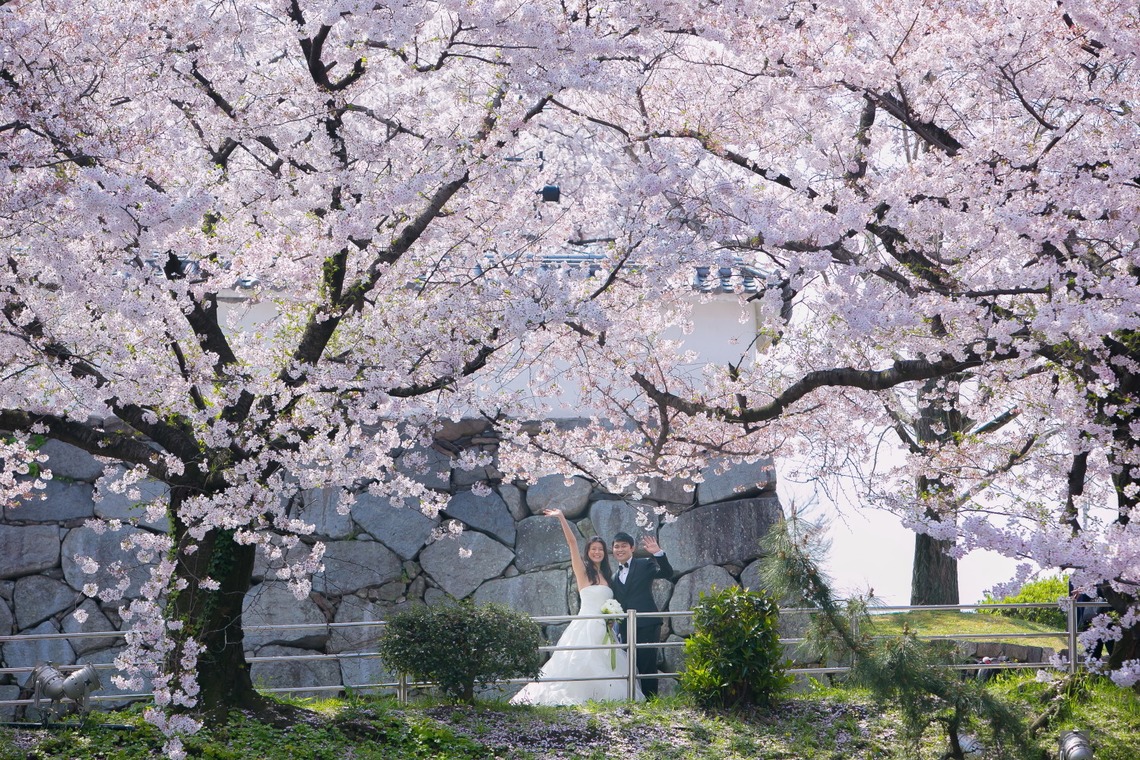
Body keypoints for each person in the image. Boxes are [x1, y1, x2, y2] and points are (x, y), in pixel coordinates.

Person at [510, 509, 644, 705]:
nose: (596, 552)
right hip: (585, 626)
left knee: (609, 666)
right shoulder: (582, 571)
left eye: (600, 549)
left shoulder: (608, 575)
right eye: (593, 549)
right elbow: (572, 543)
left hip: (605, 629)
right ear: (588, 552)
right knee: (578, 663)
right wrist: (562, 518)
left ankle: (605, 700)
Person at [610, 530, 673, 698]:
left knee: (647, 664)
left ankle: (651, 701)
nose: (620, 549)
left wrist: (658, 553)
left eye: (624, 546)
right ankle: (634, 699)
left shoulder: (645, 563)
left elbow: (667, 573)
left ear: (632, 548)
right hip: (624, 627)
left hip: (647, 623)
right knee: (629, 664)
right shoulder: (614, 575)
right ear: (613, 550)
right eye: (616, 546)